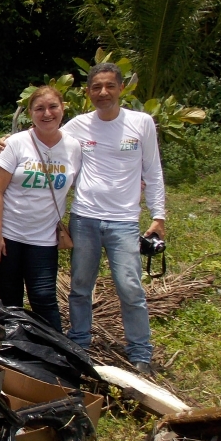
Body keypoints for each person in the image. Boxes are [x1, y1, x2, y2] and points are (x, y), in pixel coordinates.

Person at [65, 63, 166, 374]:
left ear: (122, 88)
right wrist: (7, 142)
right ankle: (79, 343)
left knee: (130, 287)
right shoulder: (78, 125)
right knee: (80, 285)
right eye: (96, 87)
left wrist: (159, 215)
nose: (103, 92)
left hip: (124, 221)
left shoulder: (141, 123)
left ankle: (140, 352)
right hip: (84, 218)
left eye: (110, 86)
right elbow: (43, 139)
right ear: (88, 92)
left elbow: (153, 171)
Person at [0, 85, 81, 331]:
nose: (47, 113)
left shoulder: (73, 147)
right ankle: (16, 346)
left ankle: (55, 350)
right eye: (39, 108)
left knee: (44, 298)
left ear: (63, 109)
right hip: (7, 235)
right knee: (11, 300)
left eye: (53, 107)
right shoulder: (16, 144)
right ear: (30, 113)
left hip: (44, 237)